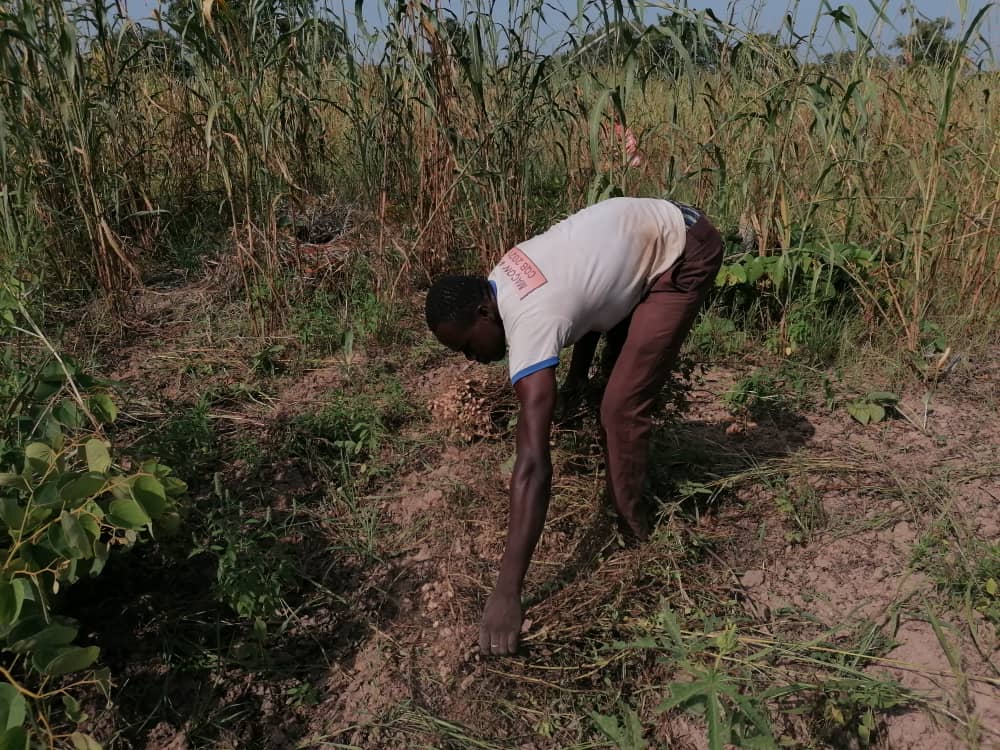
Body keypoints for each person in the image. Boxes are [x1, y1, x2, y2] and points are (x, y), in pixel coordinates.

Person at [424, 196, 724, 657]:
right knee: (604, 384)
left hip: (681, 251)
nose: (472, 359)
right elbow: (581, 306)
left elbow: (532, 466)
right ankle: (602, 408)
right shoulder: (502, 274)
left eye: (467, 347)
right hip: (645, 226)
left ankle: (634, 529)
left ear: (484, 314)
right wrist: (578, 380)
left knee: (620, 407)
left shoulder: (530, 323)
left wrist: (508, 591)